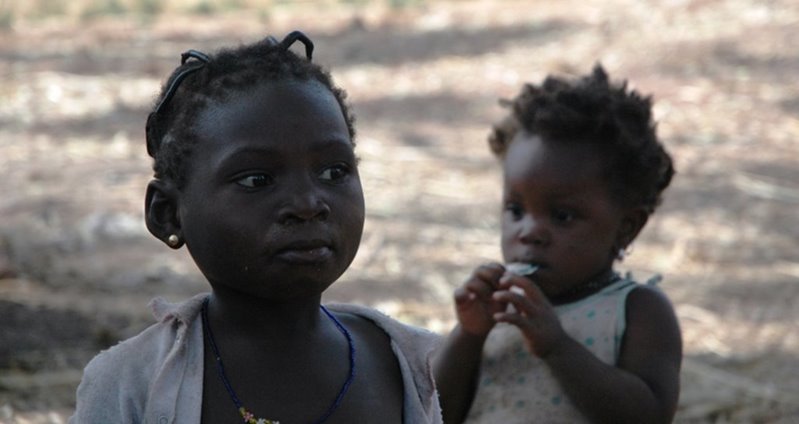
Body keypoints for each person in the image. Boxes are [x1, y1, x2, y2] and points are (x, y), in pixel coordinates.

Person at [70, 31, 442, 424]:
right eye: (257, 180)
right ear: (168, 213)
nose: (307, 205)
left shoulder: (402, 362)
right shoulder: (134, 382)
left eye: (333, 172)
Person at [433, 66, 682, 424]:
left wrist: (557, 347)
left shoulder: (638, 310)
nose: (530, 232)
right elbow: (432, 412)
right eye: (516, 210)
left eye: (562, 216)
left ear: (626, 228)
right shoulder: (497, 311)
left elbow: (649, 416)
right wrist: (468, 335)